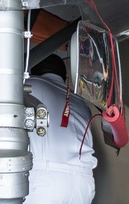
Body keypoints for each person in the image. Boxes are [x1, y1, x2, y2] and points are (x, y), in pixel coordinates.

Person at [26, 54, 96, 204]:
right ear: (64, 78)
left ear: (32, 72)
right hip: (82, 184)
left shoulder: (28, 85)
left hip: (43, 180)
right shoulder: (81, 102)